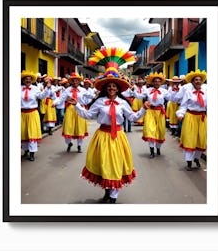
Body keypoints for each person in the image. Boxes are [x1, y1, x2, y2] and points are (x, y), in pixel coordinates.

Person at [67, 47, 150, 203]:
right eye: (109, 86)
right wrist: (77, 105)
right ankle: (107, 192)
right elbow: (88, 115)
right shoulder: (99, 102)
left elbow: (131, 117)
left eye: (114, 86)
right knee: (104, 165)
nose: (112, 88)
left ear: (118, 88)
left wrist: (144, 110)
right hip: (103, 137)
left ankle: (113, 196)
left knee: (116, 165)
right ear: (105, 88)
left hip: (118, 137)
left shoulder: (123, 103)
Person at [133, 72, 172, 158]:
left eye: (158, 81)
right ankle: (151, 151)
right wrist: (133, 90)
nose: (157, 83)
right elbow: (139, 97)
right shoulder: (147, 90)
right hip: (150, 111)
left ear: (161, 82)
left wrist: (175, 90)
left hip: (160, 112)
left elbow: (171, 98)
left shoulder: (164, 91)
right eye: (155, 81)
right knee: (150, 130)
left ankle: (158, 148)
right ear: (152, 82)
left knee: (160, 131)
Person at [176, 69, 207, 171]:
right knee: (190, 139)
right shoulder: (188, 92)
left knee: (201, 139)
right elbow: (183, 105)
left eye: (200, 79)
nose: (198, 81)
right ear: (192, 82)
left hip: (202, 118)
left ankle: (197, 158)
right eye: (196, 80)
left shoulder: (206, 92)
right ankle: (189, 162)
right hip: (190, 117)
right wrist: (180, 114)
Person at [52, 72, 92, 153]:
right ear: (70, 81)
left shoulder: (83, 90)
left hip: (80, 109)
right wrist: (55, 103)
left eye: (76, 80)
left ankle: (79, 146)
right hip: (70, 109)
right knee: (68, 127)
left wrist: (99, 95)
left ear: (79, 81)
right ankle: (69, 143)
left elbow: (91, 96)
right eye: (73, 80)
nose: (74, 82)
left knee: (80, 127)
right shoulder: (67, 90)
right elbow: (61, 99)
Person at [21, 70, 52, 161]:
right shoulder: (18, 88)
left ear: (32, 80)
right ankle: (25, 150)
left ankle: (32, 153)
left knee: (32, 133)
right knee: (23, 133)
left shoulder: (35, 89)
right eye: (26, 79)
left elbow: (42, 96)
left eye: (29, 79)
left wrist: (47, 88)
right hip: (21, 114)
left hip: (32, 113)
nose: (27, 81)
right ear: (23, 80)